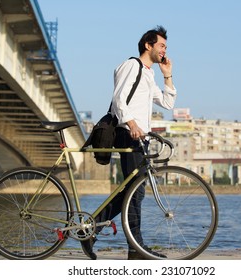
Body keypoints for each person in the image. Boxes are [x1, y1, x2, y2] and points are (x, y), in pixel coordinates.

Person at [81, 25, 177, 260]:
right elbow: (118, 99)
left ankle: (93, 229)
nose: (165, 50)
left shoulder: (148, 73)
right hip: (128, 133)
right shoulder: (131, 66)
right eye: (162, 45)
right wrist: (132, 124)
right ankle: (134, 248)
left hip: (140, 138)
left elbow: (167, 103)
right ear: (148, 45)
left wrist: (167, 75)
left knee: (133, 191)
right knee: (135, 192)